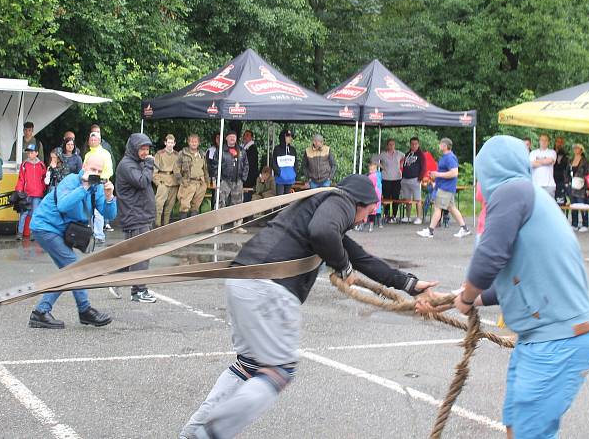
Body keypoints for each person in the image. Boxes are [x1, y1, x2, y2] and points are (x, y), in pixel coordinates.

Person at [179, 174, 440, 439]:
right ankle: (209, 434)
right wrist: (343, 266)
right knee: (279, 370)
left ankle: (193, 432)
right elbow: (323, 233)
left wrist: (409, 284)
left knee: (249, 366)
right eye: (369, 210)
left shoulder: (319, 206)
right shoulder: (340, 201)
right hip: (271, 288)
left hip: (243, 282)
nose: (366, 218)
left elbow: (360, 257)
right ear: (359, 202)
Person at [418, 135, 589, 439]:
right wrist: (454, 299)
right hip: (538, 338)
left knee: (530, 432)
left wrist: (466, 296)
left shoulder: (513, 191)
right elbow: (508, 282)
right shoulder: (522, 196)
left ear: (492, 170)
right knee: (517, 425)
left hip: (560, 337)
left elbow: (489, 257)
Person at [28, 153, 115, 329]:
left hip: (61, 230)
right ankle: (79, 310)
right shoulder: (70, 181)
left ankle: (45, 311)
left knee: (69, 271)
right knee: (73, 268)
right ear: (84, 167)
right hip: (45, 226)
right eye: (92, 169)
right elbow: (63, 205)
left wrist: (109, 197)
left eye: (99, 171)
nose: (95, 173)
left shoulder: (97, 188)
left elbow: (110, 215)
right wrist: (83, 187)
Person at [113, 133, 157, 303]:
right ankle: (138, 291)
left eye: (147, 149)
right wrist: (149, 165)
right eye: (142, 149)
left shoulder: (137, 163)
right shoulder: (127, 165)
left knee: (132, 253)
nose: (145, 152)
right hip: (135, 216)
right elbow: (142, 182)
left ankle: (115, 277)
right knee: (141, 254)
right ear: (134, 148)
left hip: (141, 215)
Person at [417, 138, 470, 239]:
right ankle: (464, 229)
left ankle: (430, 231)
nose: (439, 145)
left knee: (437, 208)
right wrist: (435, 179)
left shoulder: (450, 158)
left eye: (440, 144)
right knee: (452, 208)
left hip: (446, 188)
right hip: (442, 186)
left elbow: (454, 173)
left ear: (445, 146)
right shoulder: (445, 157)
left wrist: (438, 174)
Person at [83, 132, 114, 243]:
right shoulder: (87, 155)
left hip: (101, 184)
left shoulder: (105, 154)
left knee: (99, 211)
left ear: (100, 141)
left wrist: (100, 179)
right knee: (89, 209)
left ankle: (99, 235)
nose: (93, 141)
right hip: (88, 184)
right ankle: (92, 233)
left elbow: (110, 170)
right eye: (91, 140)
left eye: (95, 140)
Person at [15, 143, 46, 241]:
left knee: (34, 213)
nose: (29, 154)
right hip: (27, 193)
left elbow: (44, 179)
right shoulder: (24, 164)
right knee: (24, 213)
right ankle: (20, 233)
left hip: (37, 193)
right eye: (28, 152)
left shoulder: (41, 165)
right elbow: (21, 178)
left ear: (37, 153)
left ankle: (33, 233)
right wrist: (19, 189)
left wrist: (43, 189)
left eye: (32, 152)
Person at [219, 131, 249, 232]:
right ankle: (218, 225)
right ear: (226, 138)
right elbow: (214, 164)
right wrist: (217, 178)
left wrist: (243, 178)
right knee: (220, 202)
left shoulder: (241, 150)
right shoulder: (221, 150)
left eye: (234, 137)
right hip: (225, 180)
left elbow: (246, 165)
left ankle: (237, 226)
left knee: (238, 203)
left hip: (238, 181)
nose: (232, 138)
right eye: (230, 136)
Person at [175, 134, 209, 219]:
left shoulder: (202, 154)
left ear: (198, 143)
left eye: (195, 142)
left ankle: (193, 227)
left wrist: (206, 182)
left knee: (196, 205)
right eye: (192, 142)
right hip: (188, 183)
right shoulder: (183, 153)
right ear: (188, 142)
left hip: (200, 183)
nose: (194, 143)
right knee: (184, 205)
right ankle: (183, 227)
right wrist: (181, 181)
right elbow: (176, 168)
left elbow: (205, 169)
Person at [374, 138, 405, 223]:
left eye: (393, 144)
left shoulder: (399, 153)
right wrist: (382, 166)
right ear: (387, 145)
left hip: (397, 178)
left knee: (396, 197)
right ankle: (386, 215)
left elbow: (405, 157)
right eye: (390, 144)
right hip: (386, 178)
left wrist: (401, 164)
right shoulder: (383, 154)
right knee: (386, 197)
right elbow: (373, 159)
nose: (391, 146)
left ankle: (394, 215)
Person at [154, 134, 180, 227]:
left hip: (174, 182)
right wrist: (158, 183)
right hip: (163, 181)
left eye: (172, 142)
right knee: (159, 205)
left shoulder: (177, 155)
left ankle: (166, 226)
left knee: (170, 207)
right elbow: (154, 170)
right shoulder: (159, 154)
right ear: (165, 143)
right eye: (168, 142)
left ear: (174, 143)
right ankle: (157, 225)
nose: (170, 144)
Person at [400, 137, 425, 224]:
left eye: (415, 144)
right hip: (405, 179)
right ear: (410, 145)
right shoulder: (407, 154)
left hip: (415, 180)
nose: (414, 145)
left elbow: (423, 168)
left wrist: (420, 179)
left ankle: (419, 218)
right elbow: (404, 166)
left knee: (417, 199)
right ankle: (408, 217)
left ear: (418, 144)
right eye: (412, 144)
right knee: (407, 200)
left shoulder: (421, 155)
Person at [569, 143, 589, 233]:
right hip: (572, 185)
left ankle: (585, 224)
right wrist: (567, 182)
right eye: (574, 148)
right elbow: (567, 171)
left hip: (582, 186)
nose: (576, 150)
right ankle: (574, 224)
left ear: (581, 150)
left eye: (577, 148)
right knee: (573, 205)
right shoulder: (571, 160)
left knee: (582, 205)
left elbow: (588, 174)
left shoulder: (585, 161)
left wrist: (587, 188)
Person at [529, 134, 556, 198]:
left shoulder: (552, 152)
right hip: (536, 185)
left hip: (549, 185)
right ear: (539, 141)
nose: (543, 142)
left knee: (549, 207)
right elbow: (531, 164)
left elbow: (550, 161)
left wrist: (537, 160)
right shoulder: (533, 153)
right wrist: (544, 161)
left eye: (546, 140)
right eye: (542, 140)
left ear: (548, 142)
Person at [271, 129, 297, 195]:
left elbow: (296, 163)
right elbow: (273, 163)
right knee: (279, 199)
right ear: (283, 137)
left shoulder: (293, 150)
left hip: (290, 179)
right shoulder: (277, 149)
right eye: (288, 136)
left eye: (291, 136)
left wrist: (293, 173)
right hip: (280, 179)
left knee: (287, 199)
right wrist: (279, 173)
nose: (290, 138)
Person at [364, 161, 383, 231]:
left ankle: (373, 224)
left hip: (375, 193)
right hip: (374, 193)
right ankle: (371, 224)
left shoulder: (375, 176)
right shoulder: (370, 176)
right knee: (373, 209)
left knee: (374, 209)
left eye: (372, 170)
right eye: (370, 170)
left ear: (375, 170)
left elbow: (373, 185)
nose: (370, 171)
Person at [242, 130, 260, 200]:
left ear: (251, 137)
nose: (245, 137)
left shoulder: (252, 148)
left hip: (250, 178)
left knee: (248, 196)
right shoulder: (244, 148)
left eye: (247, 135)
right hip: (245, 176)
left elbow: (250, 164)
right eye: (244, 135)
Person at [553, 136, 570, 206]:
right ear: (555, 142)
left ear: (562, 144)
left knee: (560, 202)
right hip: (550, 179)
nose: (559, 144)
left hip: (560, 180)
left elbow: (565, 167)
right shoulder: (550, 152)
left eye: (561, 142)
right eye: (558, 142)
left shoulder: (565, 154)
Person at [206, 133, 221, 210]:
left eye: (220, 137)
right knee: (214, 196)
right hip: (214, 178)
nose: (218, 139)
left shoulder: (226, 150)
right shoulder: (210, 150)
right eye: (217, 137)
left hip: (224, 178)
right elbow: (208, 165)